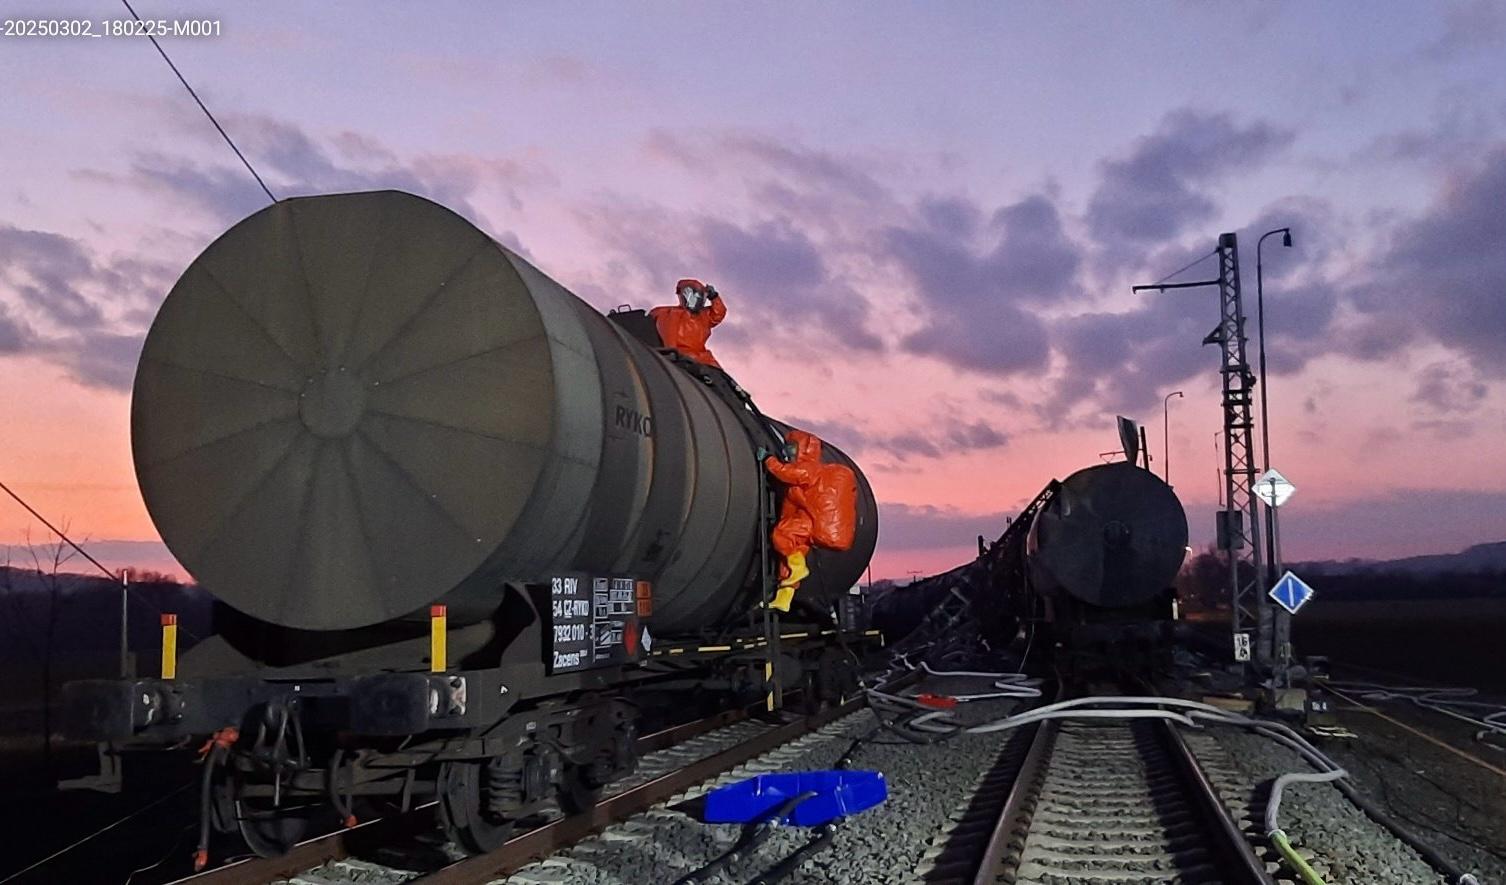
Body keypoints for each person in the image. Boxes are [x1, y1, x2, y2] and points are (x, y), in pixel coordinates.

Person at [764, 429, 858, 613]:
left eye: (792, 448)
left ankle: (798, 567)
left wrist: (769, 460)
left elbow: (787, 473)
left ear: (804, 449)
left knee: (781, 534)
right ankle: (784, 599)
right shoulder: (811, 468)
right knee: (786, 562)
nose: (788, 452)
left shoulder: (807, 467)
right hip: (809, 525)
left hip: (807, 520)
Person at [650, 278, 726, 368]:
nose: (696, 299)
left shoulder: (703, 315)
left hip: (704, 358)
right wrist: (671, 352)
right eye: (693, 295)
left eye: (699, 296)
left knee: (719, 376)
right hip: (683, 355)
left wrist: (714, 297)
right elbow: (669, 333)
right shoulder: (671, 313)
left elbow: (718, 313)